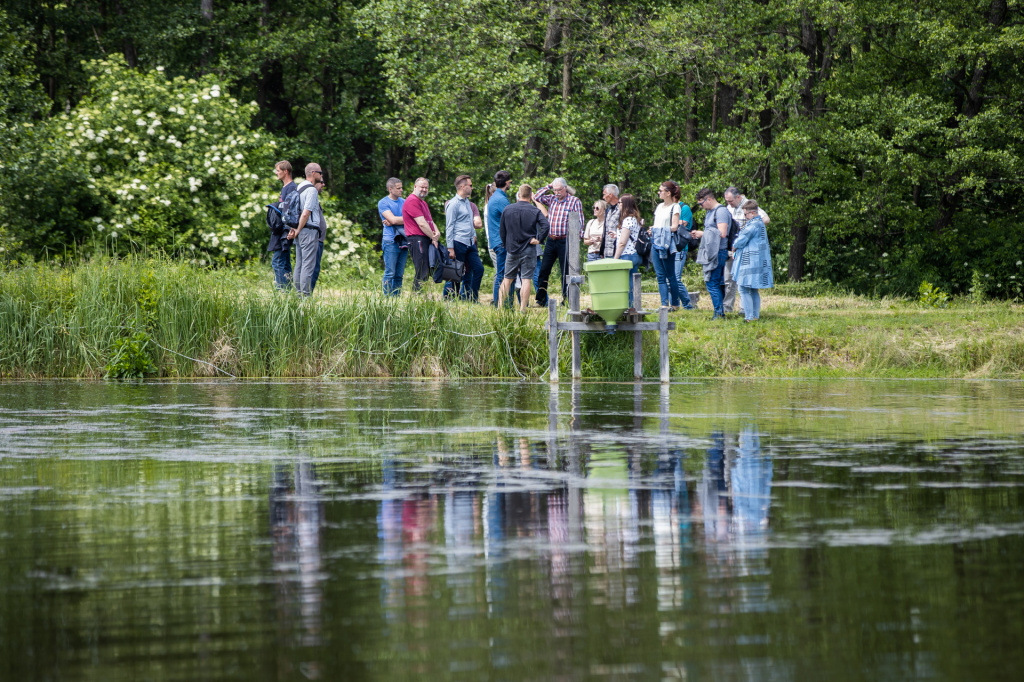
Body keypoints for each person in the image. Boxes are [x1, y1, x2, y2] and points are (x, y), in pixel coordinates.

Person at [533, 177, 585, 307]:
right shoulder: (552, 199)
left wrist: (576, 241)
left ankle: (566, 299)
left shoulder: (574, 201)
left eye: (559, 190)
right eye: (555, 190)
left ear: (565, 188)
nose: (557, 192)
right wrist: (549, 186)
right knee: (544, 269)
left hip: (565, 241)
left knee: (565, 271)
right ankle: (541, 299)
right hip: (551, 240)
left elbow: (580, 222)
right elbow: (537, 197)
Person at [498, 184, 549, 312]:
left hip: (512, 249)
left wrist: (506, 245)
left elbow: (502, 231)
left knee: (507, 279)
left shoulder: (507, 209)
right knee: (526, 279)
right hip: (529, 248)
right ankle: (523, 309)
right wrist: (539, 239)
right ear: (531, 196)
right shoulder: (534, 210)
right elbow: (546, 226)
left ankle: (499, 307)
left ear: (519, 194)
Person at [723, 186, 770, 314]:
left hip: (744, 250)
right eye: (727, 201)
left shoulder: (749, 206)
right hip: (732, 249)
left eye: (730, 201)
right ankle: (727, 308)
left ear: (738, 197)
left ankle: (745, 311)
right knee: (729, 280)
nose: (729, 204)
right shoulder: (729, 208)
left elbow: (765, 219)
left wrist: (748, 230)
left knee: (744, 284)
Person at [690, 188, 731, 319]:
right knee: (717, 283)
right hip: (711, 250)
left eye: (701, 203)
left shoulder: (721, 211)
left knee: (712, 283)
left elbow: (722, 233)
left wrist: (702, 234)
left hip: (718, 251)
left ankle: (718, 314)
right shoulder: (710, 212)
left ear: (709, 199)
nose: (701, 207)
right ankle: (720, 312)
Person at [443, 175, 485, 301]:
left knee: (478, 269)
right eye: (470, 185)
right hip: (458, 242)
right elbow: (449, 227)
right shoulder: (453, 204)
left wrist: (474, 236)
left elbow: (470, 223)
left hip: (470, 242)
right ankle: (452, 300)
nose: (472, 188)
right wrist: (450, 247)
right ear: (462, 186)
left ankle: (472, 298)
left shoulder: (468, 202)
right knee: (456, 273)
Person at [732, 199, 774, 322]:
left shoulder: (753, 224)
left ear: (752, 213)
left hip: (749, 261)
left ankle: (749, 317)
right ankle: (755, 316)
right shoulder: (760, 223)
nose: (745, 217)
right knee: (753, 289)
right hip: (757, 260)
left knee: (743, 288)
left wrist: (734, 246)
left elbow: (741, 240)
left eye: (745, 214)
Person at [287, 162, 324, 297]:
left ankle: (297, 296)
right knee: (308, 266)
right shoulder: (312, 190)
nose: (322, 175)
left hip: (300, 230)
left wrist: (295, 229)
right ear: (313, 173)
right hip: (308, 231)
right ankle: (306, 298)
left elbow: (294, 210)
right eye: (320, 172)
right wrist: (297, 229)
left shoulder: (299, 187)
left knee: (299, 264)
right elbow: (305, 212)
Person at [403, 177, 441, 292]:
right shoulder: (412, 201)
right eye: (422, 187)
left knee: (427, 269)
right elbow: (422, 224)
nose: (424, 189)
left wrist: (437, 232)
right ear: (415, 187)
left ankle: (422, 296)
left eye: (426, 187)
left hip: (425, 238)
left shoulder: (423, 203)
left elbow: (430, 221)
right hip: (416, 239)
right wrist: (433, 238)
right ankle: (416, 298)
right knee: (421, 270)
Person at [651, 181, 685, 310]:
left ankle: (675, 304)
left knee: (670, 275)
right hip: (656, 241)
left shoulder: (675, 207)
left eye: (661, 191)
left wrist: (658, 229)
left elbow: (674, 227)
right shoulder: (659, 207)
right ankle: (664, 304)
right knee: (660, 275)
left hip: (666, 243)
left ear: (668, 193)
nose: (659, 193)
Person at [612, 193, 644, 308]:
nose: (618, 205)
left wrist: (615, 259)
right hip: (634, 254)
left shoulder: (628, 220)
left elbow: (622, 242)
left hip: (627, 255)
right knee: (631, 282)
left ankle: (629, 306)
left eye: (620, 203)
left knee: (627, 285)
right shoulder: (635, 218)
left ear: (625, 204)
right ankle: (632, 305)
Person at [486, 170, 513, 306]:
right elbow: (512, 218)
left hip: (497, 241)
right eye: (510, 182)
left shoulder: (495, 196)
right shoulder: (501, 199)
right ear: (507, 183)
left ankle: (502, 304)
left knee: (503, 274)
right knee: (504, 276)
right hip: (502, 243)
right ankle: (501, 305)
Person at [269, 161, 296, 290]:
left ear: (286, 171)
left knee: (277, 261)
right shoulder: (284, 188)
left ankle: (282, 291)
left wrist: (289, 228)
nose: (276, 172)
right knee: (284, 262)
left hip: (286, 231)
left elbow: (291, 210)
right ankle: (290, 290)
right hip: (281, 230)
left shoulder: (291, 188)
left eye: (278, 170)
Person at [378, 177, 407, 296]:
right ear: (390, 189)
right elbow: (393, 220)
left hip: (404, 240)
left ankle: (396, 298)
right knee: (390, 273)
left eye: (401, 187)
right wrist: (395, 220)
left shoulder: (405, 202)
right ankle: (387, 299)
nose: (401, 190)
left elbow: (396, 220)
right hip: (390, 241)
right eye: (398, 188)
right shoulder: (383, 202)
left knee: (399, 274)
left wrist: (395, 220)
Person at [675, 200, 696, 308]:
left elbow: (682, 225)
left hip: (680, 247)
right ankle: (674, 305)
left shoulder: (684, 208)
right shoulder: (667, 207)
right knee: (669, 279)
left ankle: (688, 305)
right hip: (669, 247)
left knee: (676, 279)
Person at [309, 178, 328, 293]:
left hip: (319, 240)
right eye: (321, 182)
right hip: (314, 239)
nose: (323, 184)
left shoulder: (315, 197)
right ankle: (305, 296)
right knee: (312, 269)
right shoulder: (310, 195)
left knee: (315, 269)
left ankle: (307, 295)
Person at [599, 184, 621, 259]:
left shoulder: (621, 209)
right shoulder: (608, 210)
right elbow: (605, 231)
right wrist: (601, 251)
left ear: (610, 195)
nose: (603, 197)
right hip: (607, 251)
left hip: (617, 251)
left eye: (604, 195)